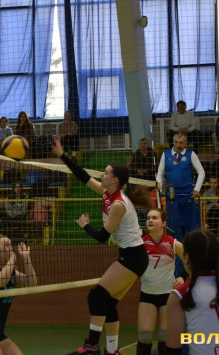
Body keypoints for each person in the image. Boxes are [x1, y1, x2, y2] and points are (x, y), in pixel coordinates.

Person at [52, 136, 149, 355]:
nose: (102, 175)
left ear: (115, 180)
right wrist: (62, 155)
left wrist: (85, 226)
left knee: (96, 296)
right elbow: (83, 176)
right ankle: (112, 351)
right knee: (108, 303)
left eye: (106, 173)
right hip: (133, 256)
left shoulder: (118, 204)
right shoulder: (108, 193)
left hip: (133, 256)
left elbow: (103, 237)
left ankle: (92, 346)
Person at [137, 209, 184, 355]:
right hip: (147, 294)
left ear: (163, 223)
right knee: (144, 337)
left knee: (165, 337)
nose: (150, 220)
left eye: (154, 218)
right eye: (148, 218)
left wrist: (183, 277)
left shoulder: (173, 243)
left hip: (168, 295)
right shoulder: (141, 243)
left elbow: (191, 262)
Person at [156, 133, 205, 272]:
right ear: (173, 142)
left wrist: (197, 189)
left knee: (191, 230)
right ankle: (176, 267)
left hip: (188, 197)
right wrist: (159, 187)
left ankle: (194, 264)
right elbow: (160, 173)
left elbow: (201, 172)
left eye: (181, 142)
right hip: (171, 197)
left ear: (186, 143)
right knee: (173, 230)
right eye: (176, 142)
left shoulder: (191, 154)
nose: (178, 145)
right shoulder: (166, 154)